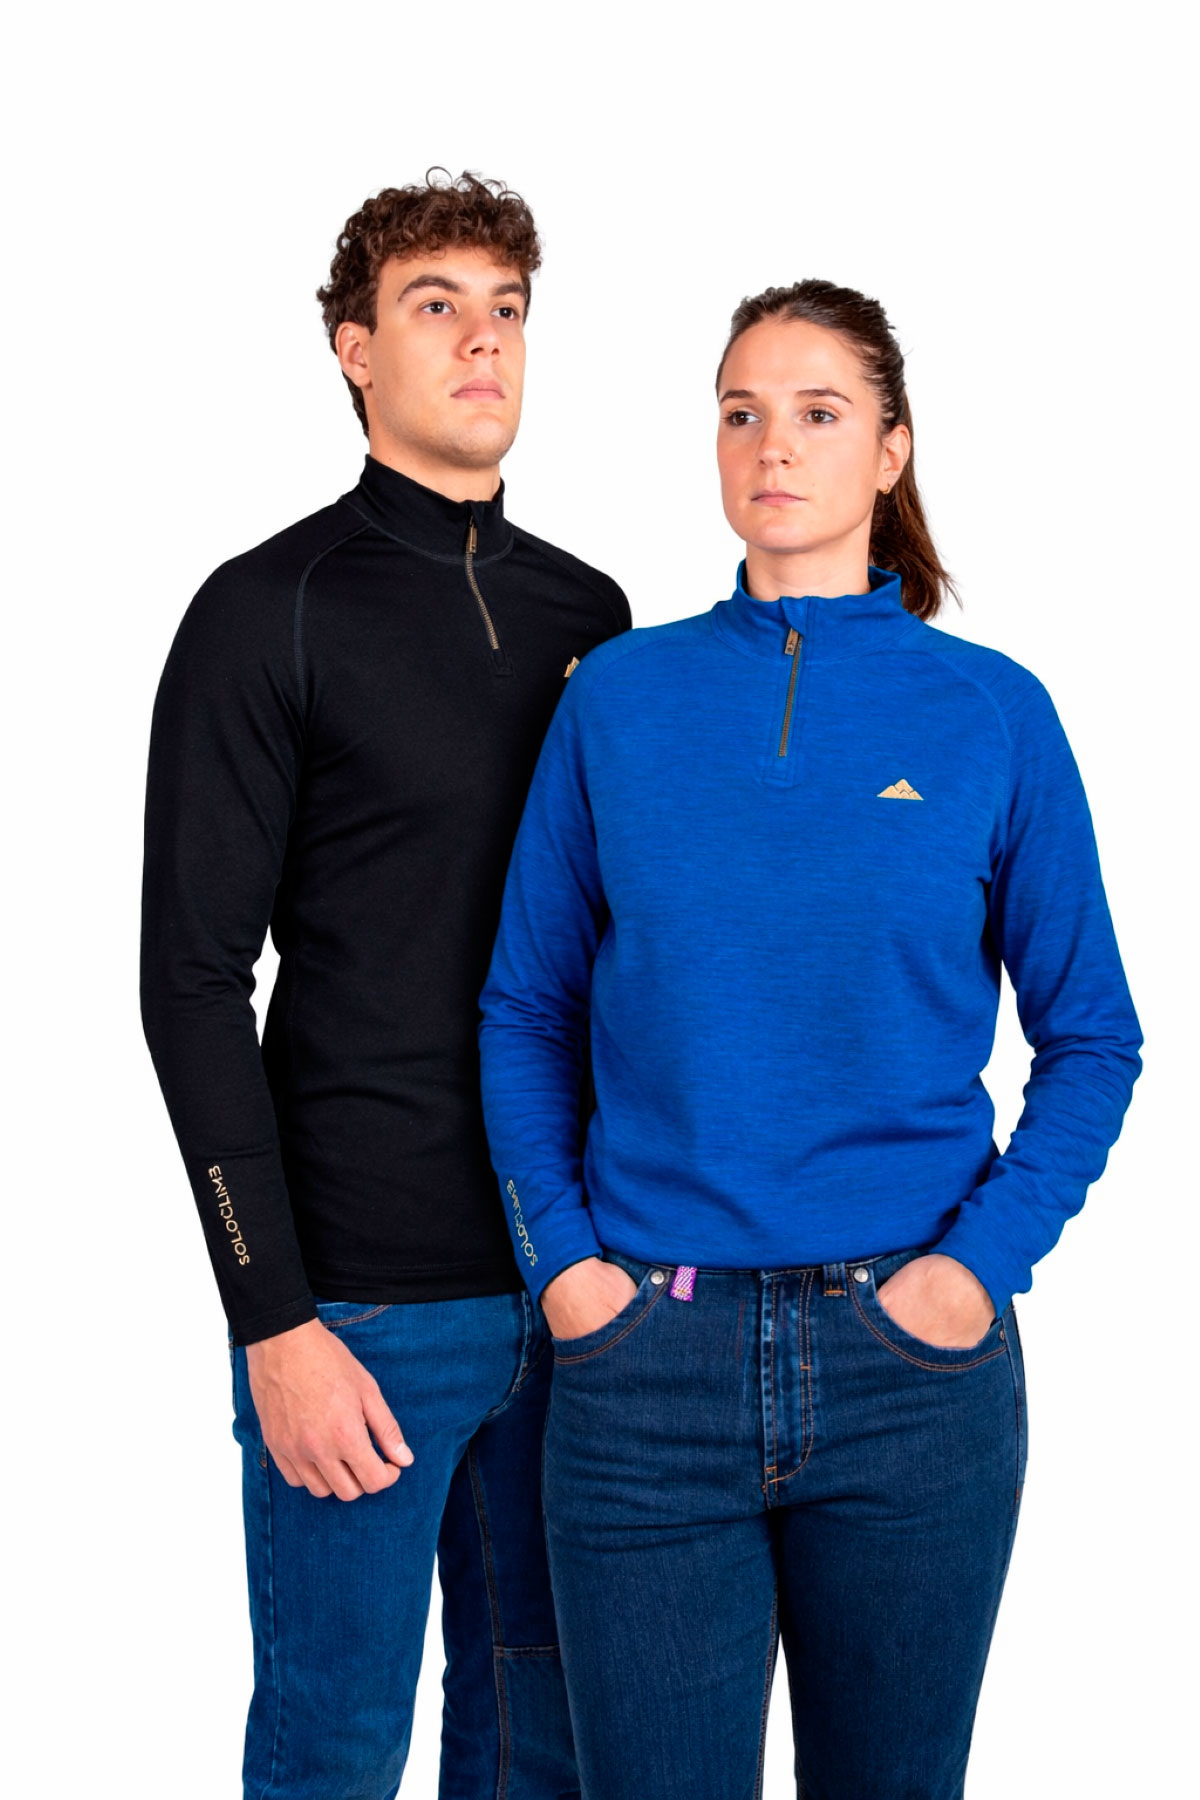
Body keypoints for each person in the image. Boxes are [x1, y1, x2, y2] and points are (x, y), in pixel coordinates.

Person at [477, 278, 1141, 1800]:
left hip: (912, 1376)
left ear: (892, 450)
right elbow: (525, 1008)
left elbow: (1094, 1037)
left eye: (819, 413)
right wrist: (566, 1268)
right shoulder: (618, 700)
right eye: (742, 412)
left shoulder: (992, 714)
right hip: (643, 1370)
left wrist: (974, 1272)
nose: (772, 445)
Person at [140, 171, 629, 1800]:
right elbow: (191, 981)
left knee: (543, 1753)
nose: (483, 341)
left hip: (571, 1286)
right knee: (334, 1753)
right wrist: (272, 1317)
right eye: (436, 307)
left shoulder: (592, 618)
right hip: (358, 1309)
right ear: (354, 350)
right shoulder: (265, 611)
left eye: (507, 310)